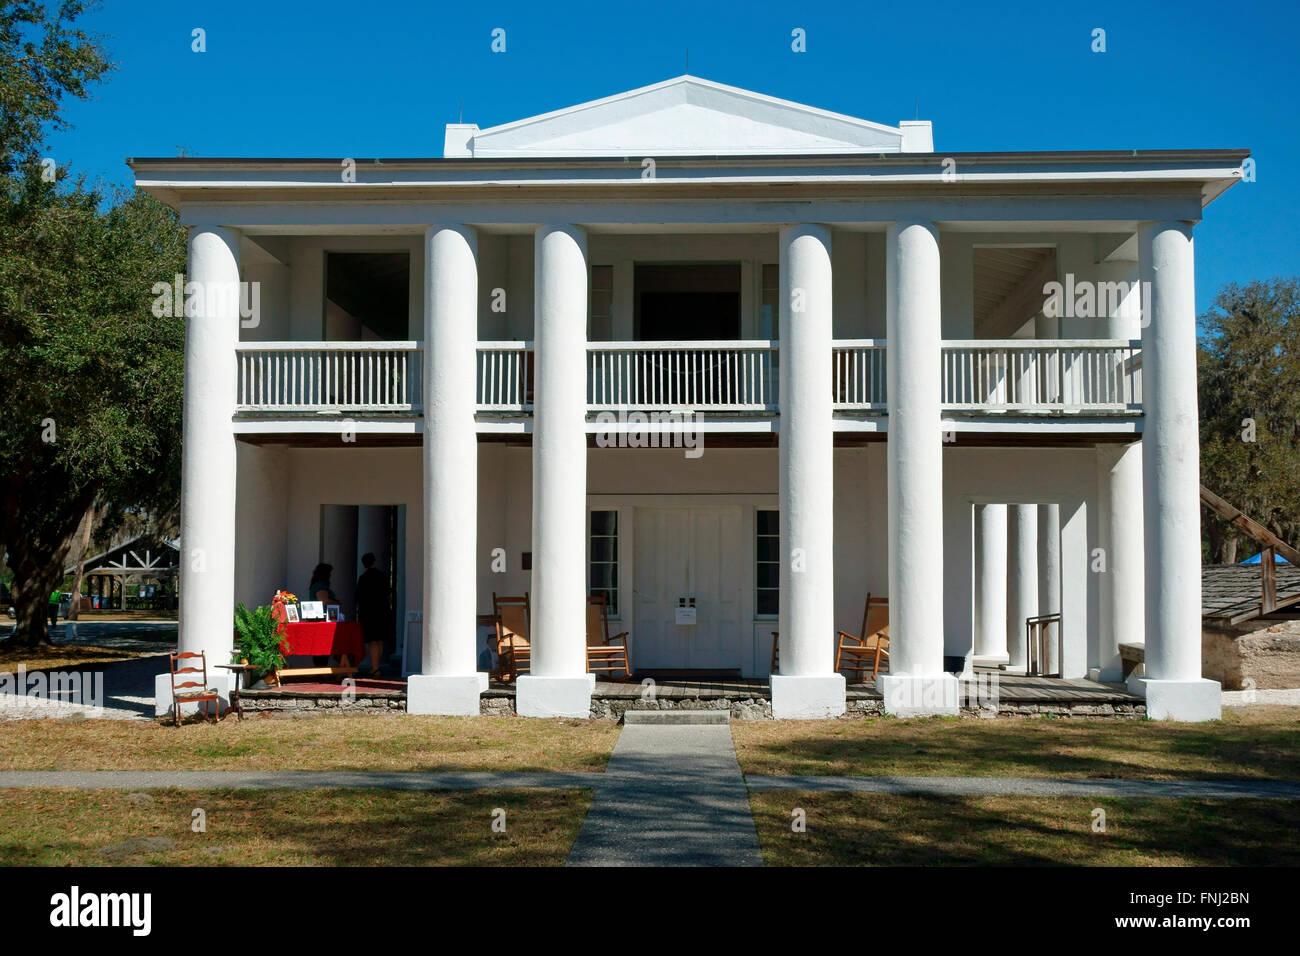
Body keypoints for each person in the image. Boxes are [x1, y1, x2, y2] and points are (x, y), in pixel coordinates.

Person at [355, 553, 392, 679]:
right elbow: (388, 594)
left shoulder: (363, 578)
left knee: (372, 641)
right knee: (379, 641)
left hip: (368, 612)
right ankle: (376, 666)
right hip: (382, 611)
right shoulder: (381, 576)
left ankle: (375, 668)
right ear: (374, 562)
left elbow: (359, 597)